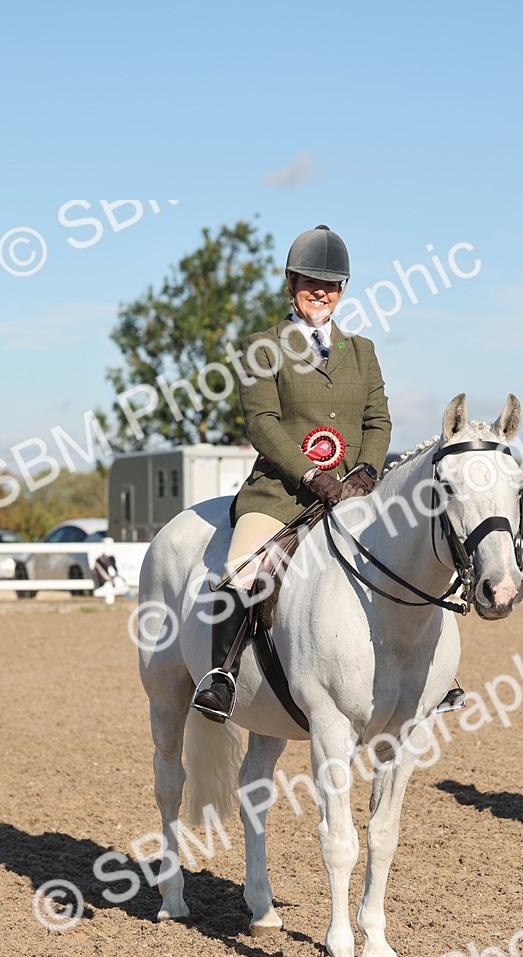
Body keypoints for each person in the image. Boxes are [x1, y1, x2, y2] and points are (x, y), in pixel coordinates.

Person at [192, 224, 462, 722]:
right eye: (311, 281)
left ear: (342, 291)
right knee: (244, 570)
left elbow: (378, 420)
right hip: (282, 493)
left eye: (332, 284)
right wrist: (310, 475)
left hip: (355, 494)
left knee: (414, 556)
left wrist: (365, 471)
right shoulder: (263, 348)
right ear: (291, 283)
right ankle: (222, 676)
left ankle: (432, 677)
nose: (321, 291)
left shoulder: (361, 351)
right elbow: (263, 424)